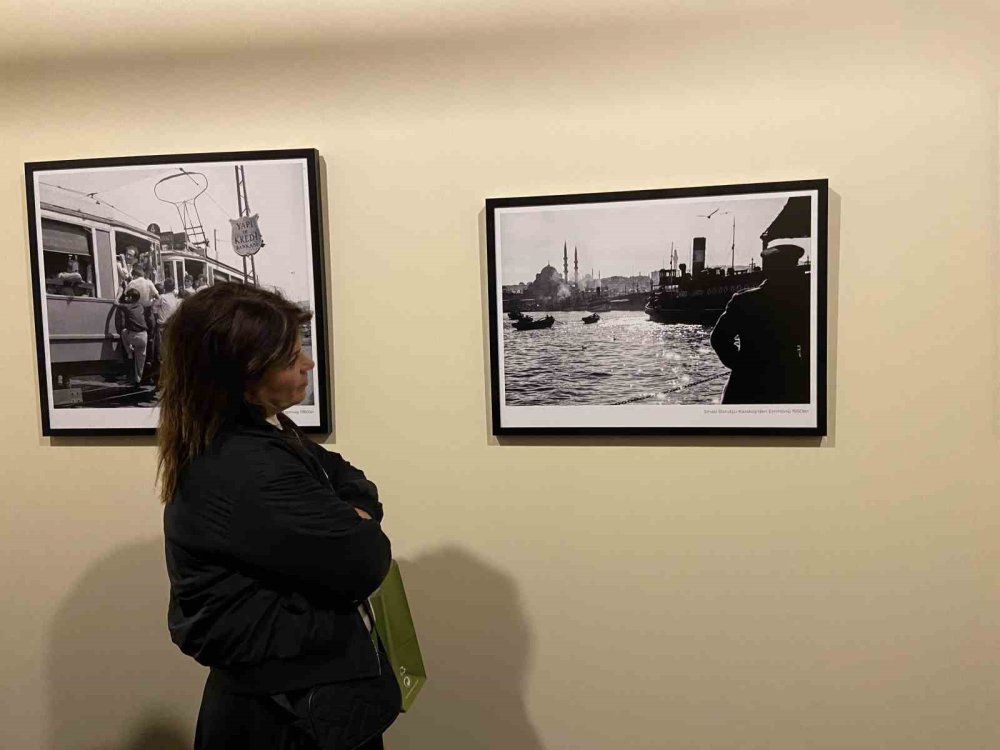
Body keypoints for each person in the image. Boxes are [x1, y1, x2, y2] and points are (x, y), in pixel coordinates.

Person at [158, 283, 400, 749]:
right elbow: (367, 560)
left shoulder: (259, 434)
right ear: (243, 378)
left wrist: (353, 511)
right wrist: (356, 521)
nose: (308, 363)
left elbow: (349, 477)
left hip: (293, 702)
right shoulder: (247, 468)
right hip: (284, 719)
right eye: (291, 359)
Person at [710, 243, 810, 404]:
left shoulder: (744, 300)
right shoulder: (803, 303)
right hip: (788, 385)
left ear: (767, 270)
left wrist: (741, 366)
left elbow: (719, 339)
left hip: (746, 387)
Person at [113, 288, 148, 385]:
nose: (126, 298)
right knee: (140, 361)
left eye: (128, 296)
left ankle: (129, 352)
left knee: (124, 332)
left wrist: (120, 292)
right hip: (144, 335)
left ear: (131, 298)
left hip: (134, 336)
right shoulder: (141, 306)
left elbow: (115, 303)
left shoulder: (127, 307)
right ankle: (138, 380)